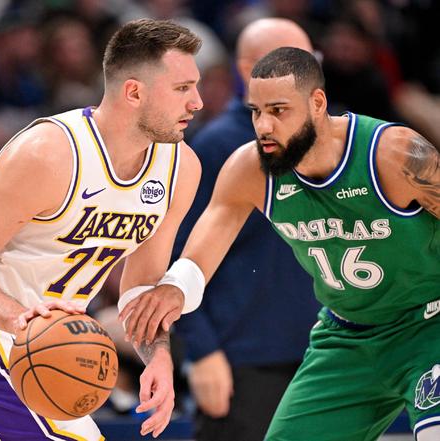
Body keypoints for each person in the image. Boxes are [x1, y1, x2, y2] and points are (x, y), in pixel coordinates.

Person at [121, 46, 440, 441]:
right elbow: (204, 249)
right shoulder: (250, 168)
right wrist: (175, 289)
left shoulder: (393, 154)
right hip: (348, 335)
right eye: (256, 111)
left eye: (278, 110)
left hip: (427, 325)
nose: (264, 126)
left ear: (317, 103)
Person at [0, 18, 204, 440]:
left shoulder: (181, 169)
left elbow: (141, 287)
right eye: (182, 88)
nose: (197, 102)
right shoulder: (49, 153)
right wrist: (19, 320)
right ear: (134, 92)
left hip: (51, 352)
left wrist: (157, 355)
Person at [172, 18, 319, 441]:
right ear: (247, 70)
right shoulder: (216, 146)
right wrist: (201, 352)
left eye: (309, 60)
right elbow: (177, 255)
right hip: (243, 363)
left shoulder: (334, 141)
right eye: (288, 61)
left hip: (326, 354)